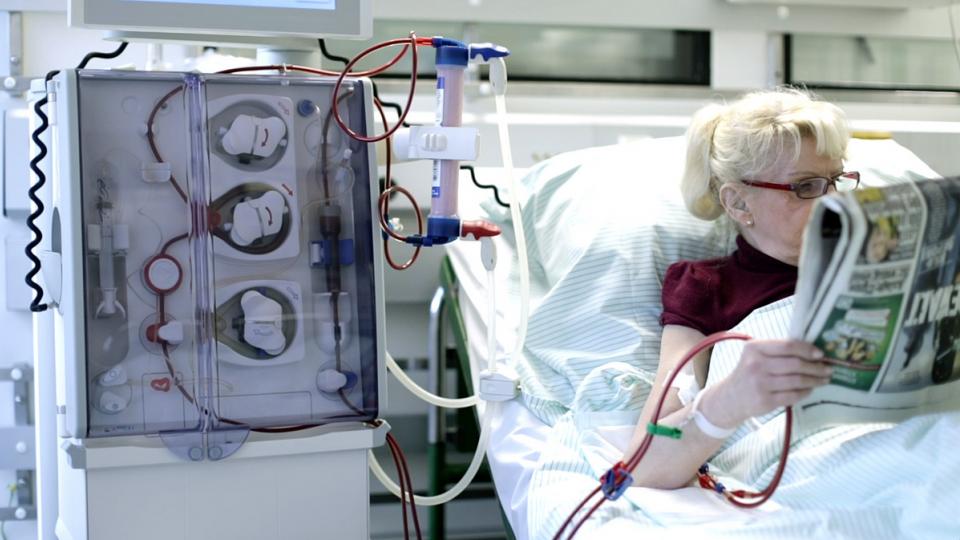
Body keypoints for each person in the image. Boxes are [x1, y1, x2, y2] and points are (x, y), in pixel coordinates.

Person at [625, 88, 860, 489]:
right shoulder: (707, 290)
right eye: (806, 187)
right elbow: (645, 462)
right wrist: (731, 396)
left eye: (837, 179)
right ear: (738, 204)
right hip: (822, 464)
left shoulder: (886, 263)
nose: (833, 200)